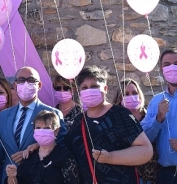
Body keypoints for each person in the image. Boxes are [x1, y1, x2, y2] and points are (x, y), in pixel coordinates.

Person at [66, 66, 152, 184]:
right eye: (84, 88)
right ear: (79, 93)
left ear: (105, 89)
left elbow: (146, 151)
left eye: (94, 86)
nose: (89, 91)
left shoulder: (121, 114)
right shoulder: (78, 121)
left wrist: (110, 157)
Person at [0, 66, 67, 183]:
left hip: (38, 178)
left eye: (31, 80)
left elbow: (63, 146)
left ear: (39, 85)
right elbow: (1, 148)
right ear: (15, 86)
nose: (26, 84)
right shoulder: (4, 115)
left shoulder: (53, 114)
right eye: (21, 80)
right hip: (9, 178)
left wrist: (36, 148)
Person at [6, 110, 78, 184]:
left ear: (56, 131)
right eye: (38, 128)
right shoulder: (28, 156)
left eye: (46, 128)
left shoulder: (65, 156)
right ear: (34, 130)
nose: (42, 131)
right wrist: (12, 177)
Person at [142, 48, 177, 184]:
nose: (172, 68)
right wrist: (158, 118)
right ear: (161, 69)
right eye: (167, 64)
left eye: (176, 63)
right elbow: (146, 138)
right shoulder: (156, 101)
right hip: (165, 174)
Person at [113, 79, 158, 184]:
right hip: (127, 176)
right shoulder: (115, 121)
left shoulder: (150, 117)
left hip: (152, 176)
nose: (131, 96)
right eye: (126, 94)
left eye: (134, 93)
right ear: (120, 98)